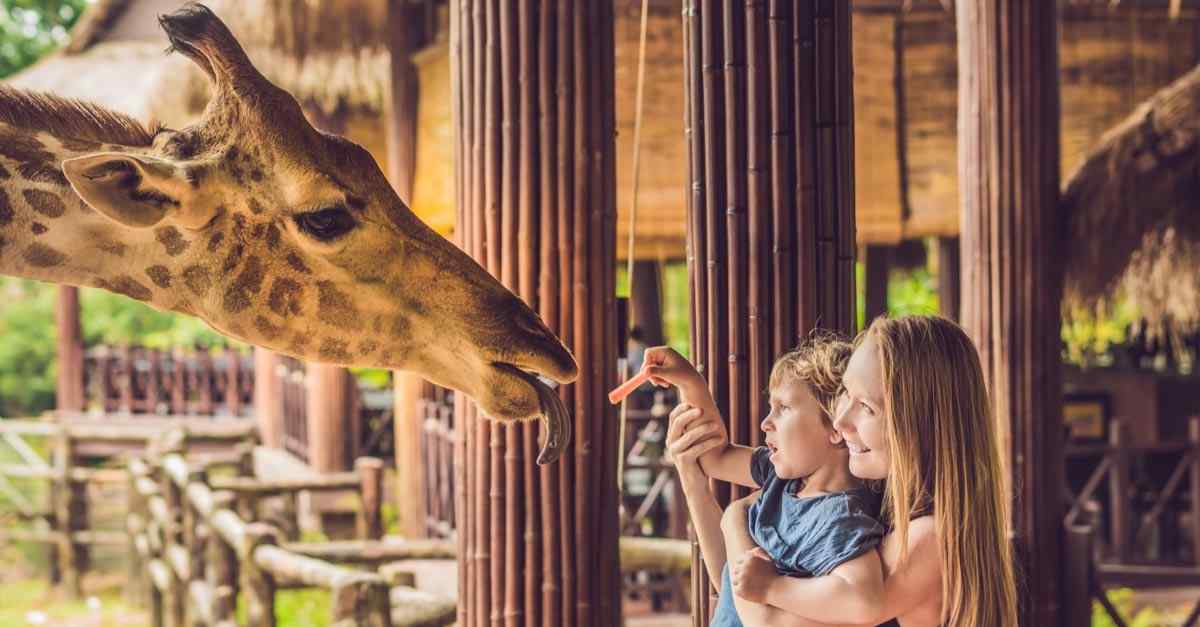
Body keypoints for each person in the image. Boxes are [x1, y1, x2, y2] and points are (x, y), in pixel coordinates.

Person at [652, 315, 1018, 627]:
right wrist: (694, 482)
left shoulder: (928, 539)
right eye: (844, 395)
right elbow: (734, 592)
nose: (840, 422)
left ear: (921, 423)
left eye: (866, 407)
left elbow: (765, 619)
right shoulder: (875, 501)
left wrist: (735, 520)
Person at [646, 336, 888, 626]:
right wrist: (690, 382)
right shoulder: (783, 478)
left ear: (835, 427)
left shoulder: (839, 517)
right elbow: (714, 457)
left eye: (783, 408)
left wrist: (772, 586)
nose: (766, 423)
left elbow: (862, 599)